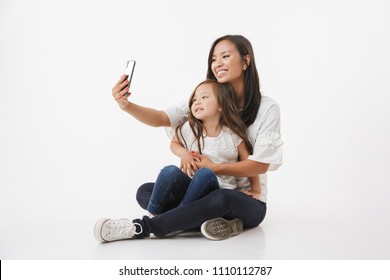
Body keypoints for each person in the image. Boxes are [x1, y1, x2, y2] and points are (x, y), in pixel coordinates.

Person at [94, 35, 283, 242]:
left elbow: (260, 165)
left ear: (246, 61)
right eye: (213, 59)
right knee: (146, 191)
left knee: (220, 197)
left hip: (243, 200)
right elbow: (161, 118)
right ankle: (201, 219)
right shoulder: (205, 96)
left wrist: (215, 168)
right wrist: (126, 105)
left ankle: (141, 227)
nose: (217, 64)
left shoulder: (267, 108)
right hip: (204, 191)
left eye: (225, 56)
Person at [146, 79, 260, 216]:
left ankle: (179, 216)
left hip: (219, 191)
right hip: (193, 188)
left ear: (221, 106)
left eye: (204, 97)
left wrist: (256, 189)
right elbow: (174, 143)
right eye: (194, 100)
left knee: (205, 173)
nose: (197, 102)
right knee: (168, 172)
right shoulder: (190, 128)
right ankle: (153, 215)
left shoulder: (233, 135)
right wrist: (183, 153)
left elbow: (250, 165)